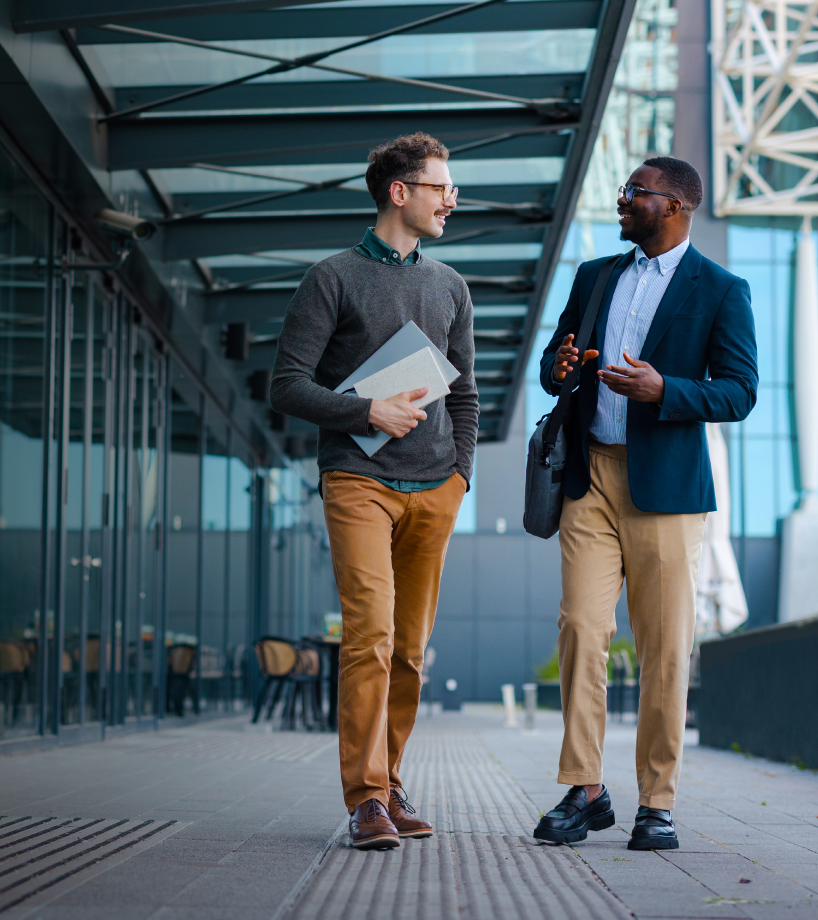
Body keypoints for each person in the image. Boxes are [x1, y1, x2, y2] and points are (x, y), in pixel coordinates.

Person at [533, 157, 757, 850]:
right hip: (590, 479)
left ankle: (656, 802)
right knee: (580, 627)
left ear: (679, 206)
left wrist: (668, 392)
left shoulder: (721, 289)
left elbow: (740, 392)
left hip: (666, 489)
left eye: (637, 192)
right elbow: (553, 363)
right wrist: (559, 369)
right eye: (625, 190)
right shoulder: (596, 274)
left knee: (664, 649)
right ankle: (585, 788)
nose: (623, 199)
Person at [271, 133, 478, 850]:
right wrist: (367, 412)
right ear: (400, 192)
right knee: (371, 639)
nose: (452, 198)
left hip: (435, 488)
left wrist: (461, 478)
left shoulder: (451, 285)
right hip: (358, 481)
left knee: (412, 651)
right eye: (441, 187)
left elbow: (467, 395)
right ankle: (365, 800)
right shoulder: (331, 277)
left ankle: (389, 784)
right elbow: (287, 385)